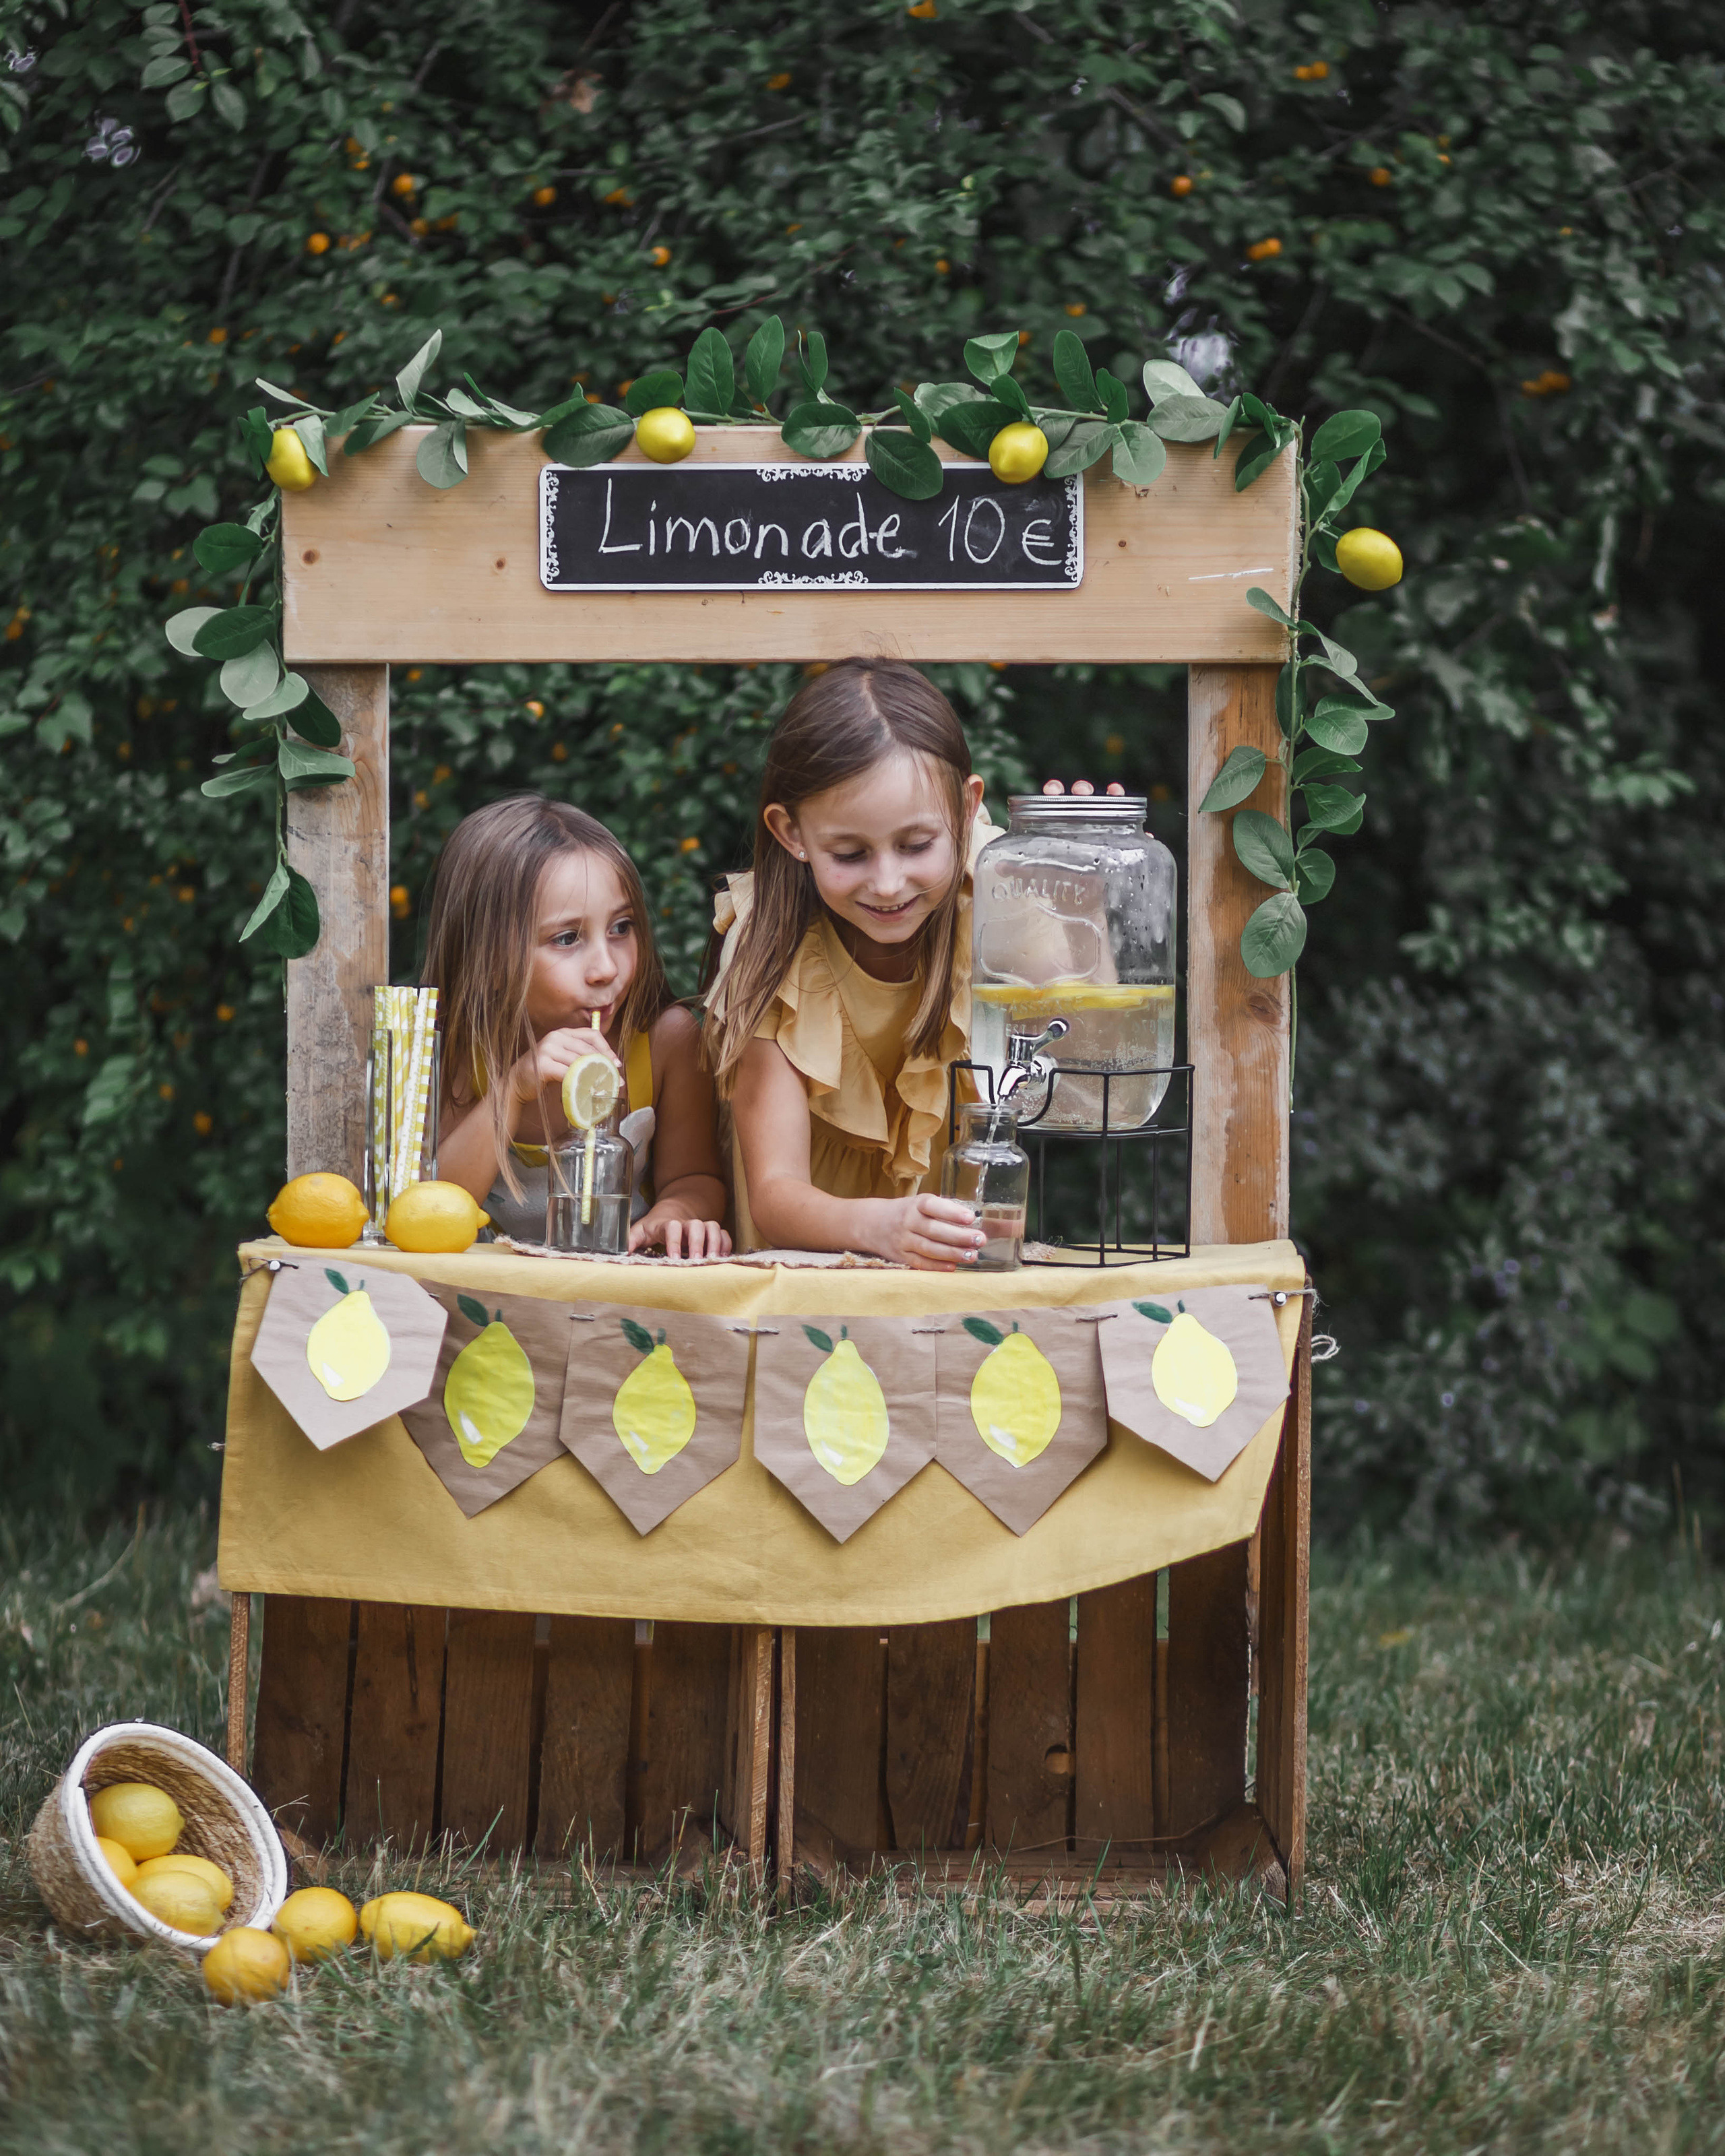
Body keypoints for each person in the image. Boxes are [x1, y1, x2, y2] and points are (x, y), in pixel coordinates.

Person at [703, 658, 997, 1269]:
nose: (887, 883)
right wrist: (886, 1227)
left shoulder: (1002, 884)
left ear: (967, 809)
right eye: (850, 854)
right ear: (792, 833)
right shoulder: (769, 944)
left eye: (916, 845)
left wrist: (1089, 874)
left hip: (957, 1275)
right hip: (802, 1284)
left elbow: (1081, 1051)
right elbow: (775, 1195)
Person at [425, 795, 730, 1257]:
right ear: (488, 960)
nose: (606, 968)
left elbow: (694, 1177)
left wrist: (675, 1214)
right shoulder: (466, 1050)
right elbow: (435, 1208)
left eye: (621, 927)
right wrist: (511, 1090)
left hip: (618, 1287)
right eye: (567, 938)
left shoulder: (665, 1042)